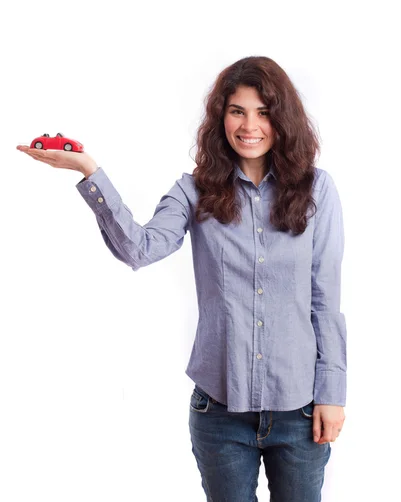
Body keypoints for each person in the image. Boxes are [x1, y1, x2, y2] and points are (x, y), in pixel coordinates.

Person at [16, 55, 347, 502]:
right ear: (221, 118)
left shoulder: (317, 190)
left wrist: (332, 393)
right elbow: (139, 248)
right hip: (219, 414)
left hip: (300, 410)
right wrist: (88, 171)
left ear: (281, 119)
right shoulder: (194, 190)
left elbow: (324, 300)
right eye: (237, 111)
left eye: (263, 112)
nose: (250, 126)